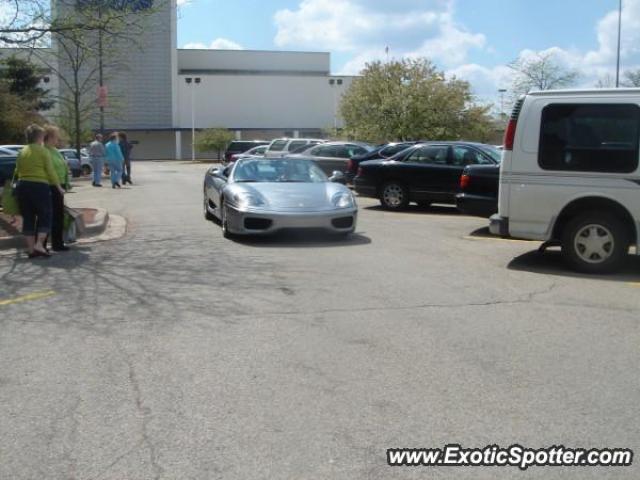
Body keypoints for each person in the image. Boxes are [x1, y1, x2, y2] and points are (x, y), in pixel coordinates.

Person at [14, 124, 64, 258]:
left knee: (28, 218)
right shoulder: (43, 151)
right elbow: (51, 171)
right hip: (39, 186)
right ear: (40, 137)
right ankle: (39, 244)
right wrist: (59, 187)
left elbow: (17, 171)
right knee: (45, 214)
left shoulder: (22, 151)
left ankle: (31, 250)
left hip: (22, 186)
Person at [43, 125, 71, 252]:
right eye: (56, 136)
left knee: (58, 215)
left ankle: (57, 243)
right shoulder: (44, 150)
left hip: (59, 184)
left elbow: (62, 166)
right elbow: (49, 170)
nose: (58, 139)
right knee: (50, 216)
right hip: (50, 186)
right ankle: (43, 244)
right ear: (49, 137)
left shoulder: (54, 150)